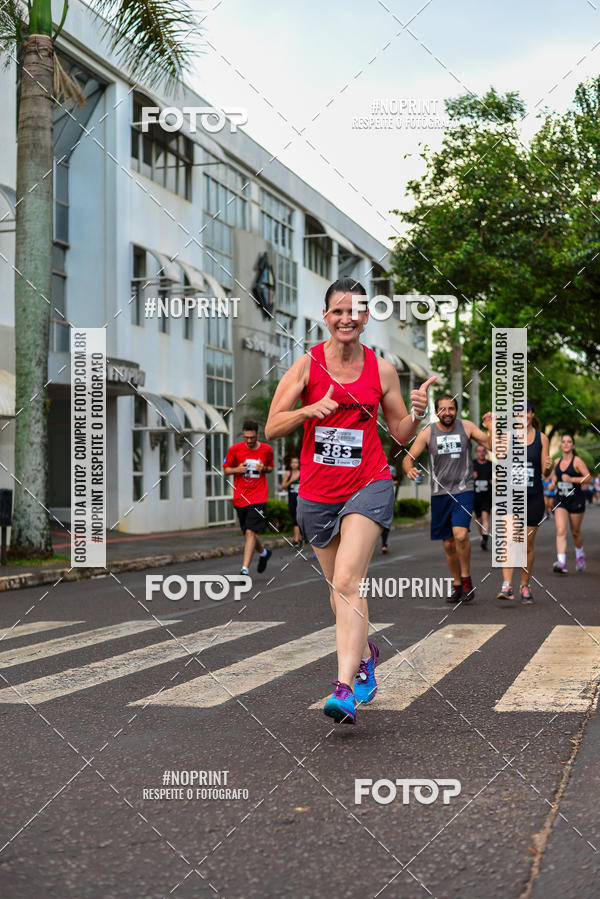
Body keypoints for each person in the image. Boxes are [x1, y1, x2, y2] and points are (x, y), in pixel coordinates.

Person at [264, 277, 435, 725]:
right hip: (317, 493)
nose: (346, 319)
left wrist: (416, 412)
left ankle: (343, 690)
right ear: (326, 317)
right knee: (337, 590)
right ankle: (364, 658)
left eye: (355, 311)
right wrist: (307, 410)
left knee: (347, 581)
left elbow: (398, 434)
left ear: (365, 317)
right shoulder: (306, 366)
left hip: (369, 482)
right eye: (337, 311)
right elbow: (272, 427)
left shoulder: (381, 369)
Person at [402, 394, 492, 604]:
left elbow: (490, 445)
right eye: (443, 409)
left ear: (456, 410)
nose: (448, 413)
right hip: (439, 494)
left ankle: (466, 577)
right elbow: (408, 458)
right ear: (436, 412)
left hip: (463, 490)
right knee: (449, 544)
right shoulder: (428, 432)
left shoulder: (467, 427)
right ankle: (457, 584)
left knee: (460, 535)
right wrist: (409, 469)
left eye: (451, 409)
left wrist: (491, 426)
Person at [496, 400, 553, 604]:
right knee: (510, 540)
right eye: (519, 412)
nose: (523, 415)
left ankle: (525, 585)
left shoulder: (542, 438)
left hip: (534, 497)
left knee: (526, 544)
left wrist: (548, 466)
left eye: (527, 412)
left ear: (531, 414)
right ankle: (506, 585)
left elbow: (545, 472)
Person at [223, 420, 274, 576]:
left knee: (251, 532)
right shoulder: (234, 450)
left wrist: (263, 468)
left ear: (257, 434)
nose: (250, 441)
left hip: (258, 497)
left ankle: (244, 569)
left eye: (252, 437)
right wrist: (237, 469)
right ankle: (264, 553)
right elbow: (226, 470)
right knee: (248, 533)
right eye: (246, 437)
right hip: (240, 497)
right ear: (244, 435)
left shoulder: (266, 449)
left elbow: (270, 468)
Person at [550, 434, 591, 573]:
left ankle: (580, 555)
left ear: (573, 445)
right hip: (560, 499)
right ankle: (561, 562)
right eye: (563, 442)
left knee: (575, 532)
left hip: (576, 500)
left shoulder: (577, 461)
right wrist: (553, 483)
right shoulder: (556, 462)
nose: (566, 444)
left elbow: (588, 478)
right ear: (561, 445)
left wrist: (572, 479)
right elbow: (555, 476)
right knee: (561, 530)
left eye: (569, 442)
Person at [472, 445, 492, 550]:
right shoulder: (472, 464)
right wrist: (471, 476)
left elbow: (499, 476)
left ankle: (485, 539)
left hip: (487, 496)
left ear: (485, 453)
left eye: (483, 451)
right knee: (479, 519)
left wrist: (495, 479)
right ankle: (482, 536)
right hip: (476, 496)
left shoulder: (491, 465)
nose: (481, 453)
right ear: (476, 453)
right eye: (479, 451)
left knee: (485, 516)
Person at [281, 456, 302, 547]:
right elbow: (283, 486)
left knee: (300, 519)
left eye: (296, 462)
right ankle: (297, 538)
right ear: (290, 464)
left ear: (298, 464)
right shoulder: (288, 473)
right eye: (292, 462)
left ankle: (298, 539)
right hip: (292, 498)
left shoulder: (302, 473)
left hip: (301, 499)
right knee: (295, 519)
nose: (294, 464)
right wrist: (291, 481)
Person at [380, 462, 399, 553]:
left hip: (385, 498)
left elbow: (395, 480)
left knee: (384, 521)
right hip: (380, 498)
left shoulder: (390, 468)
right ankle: (384, 544)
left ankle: (384, 544)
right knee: (383, 521)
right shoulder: (371, 467)